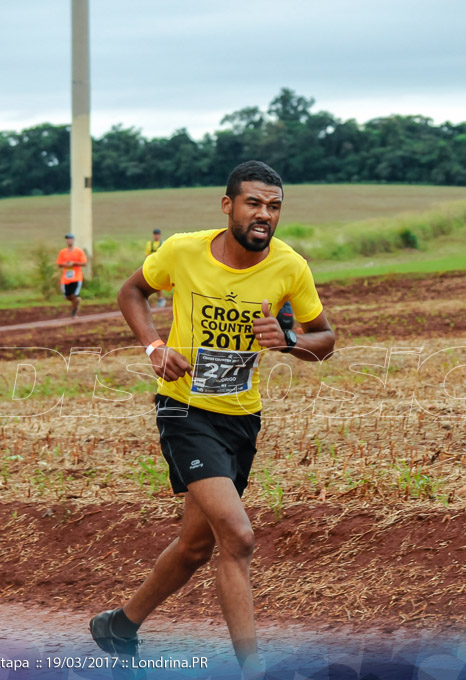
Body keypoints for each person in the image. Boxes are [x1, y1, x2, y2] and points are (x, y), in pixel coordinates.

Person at [90, 161, 336, 678]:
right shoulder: (182, 250)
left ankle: (120, 627)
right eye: (254, 203)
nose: (264, 215)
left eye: (274, 206)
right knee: (238, 536)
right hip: (183, 409)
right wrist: (155, 346)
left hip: (241, 418)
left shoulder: (290, 267)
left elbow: (326, 340)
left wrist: (290, 343)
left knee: (196, 545)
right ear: (228, 206)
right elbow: (131, 292)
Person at [55, 233, 88, 317]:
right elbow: (59, 264)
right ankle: (77, 301)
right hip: (66, 278)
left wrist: (74, 263)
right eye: (67, 239)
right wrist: (65, 264)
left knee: (74, 295)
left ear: (73, 240)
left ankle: (74, 312)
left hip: (76, 277)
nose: (69, 240)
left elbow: (84, 263)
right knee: (67, 297)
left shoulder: (78, 251)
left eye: (70, 239)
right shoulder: (63, 252)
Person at [144, 228, 166, 308]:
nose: (156, 236)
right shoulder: (150, 244)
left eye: (157, 234)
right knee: (154, 282)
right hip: (152, 266)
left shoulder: (163, 243)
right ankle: (161, 298)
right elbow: (146, 254)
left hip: (161, 266)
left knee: (157, 282)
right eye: (155, 234)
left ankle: (161, 298)